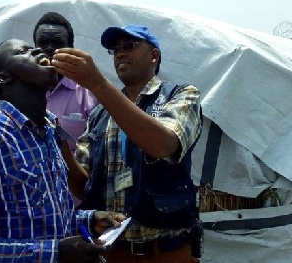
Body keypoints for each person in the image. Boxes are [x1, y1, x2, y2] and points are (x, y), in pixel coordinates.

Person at [0, 38, 124, 262]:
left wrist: (88, 219)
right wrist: (56, 252)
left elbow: (45, 218)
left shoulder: (49, 132)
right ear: (4, 77)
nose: (39, 50)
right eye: (24, 51)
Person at [53, 24, 203, 262]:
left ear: (154, 55)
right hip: (113, 253)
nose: (120, 53)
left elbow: (163, 145)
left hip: (167, 252)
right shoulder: (99, 115)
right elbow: (84, 187)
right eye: (115, 50)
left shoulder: (181, 95)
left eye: (129, 46)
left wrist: (97, 83)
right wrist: (59, 141)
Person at [33, 12, 98, 153]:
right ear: (34, 48)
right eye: (43, 42)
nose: (49, 48)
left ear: (70, 48)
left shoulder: (90, 93)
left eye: (57, 43)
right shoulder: (21, 90)